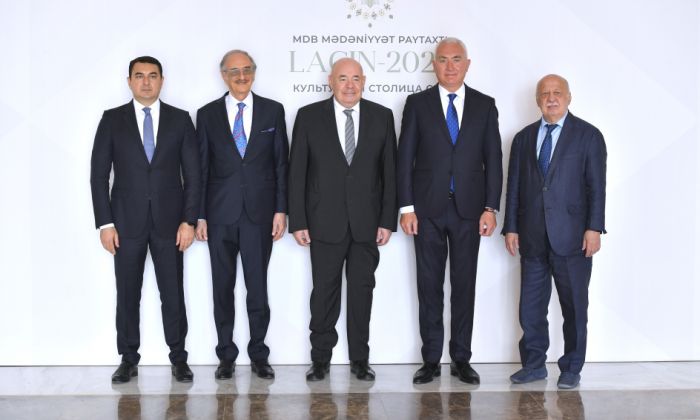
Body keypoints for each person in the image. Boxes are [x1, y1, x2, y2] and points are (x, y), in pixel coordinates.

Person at [397, 37, 503, 385]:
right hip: (426, 210)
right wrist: (407, 207)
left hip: (469, 210)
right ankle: (430, 360)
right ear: (434, 65)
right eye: (443, 59)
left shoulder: (485, 105)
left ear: (467, 64)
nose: (450, 66)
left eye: (457, 59)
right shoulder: (417, 104)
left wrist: (490, 207)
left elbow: (494, 159)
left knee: (464, 285)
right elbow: (404, 158)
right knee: (428, 286)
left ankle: (460, 358)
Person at [90, 56, 200, 383]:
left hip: (171, 224)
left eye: (153, 76)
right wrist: (105, 224)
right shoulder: (112, 120)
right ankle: (128, 359)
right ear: (129, 81)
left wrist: (189, 220)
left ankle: (178, 358)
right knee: (127, 293)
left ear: (162, 80)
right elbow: (98, 176)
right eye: (139, 76)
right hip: (125, 224)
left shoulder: (180, 120)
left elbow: (193, 176)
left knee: (173, 293)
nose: (146, 82)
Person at [288, 57, 397, 382]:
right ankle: (320, 359)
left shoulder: (382, 117)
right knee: (324, 293)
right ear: (331, 82)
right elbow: (297, 173)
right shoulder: (309, 116)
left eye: (355, 79)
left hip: (367, 224)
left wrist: (387, 220)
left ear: (364, 82)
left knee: (362, 293)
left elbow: (389, 174)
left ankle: (360, 360)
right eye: (343, 79)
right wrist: (298, 221)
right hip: (323, 222)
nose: (349, 85)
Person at [503, 74, 606, 389]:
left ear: (569, 97)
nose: (551, 98)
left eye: (557, 92)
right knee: (530, 308)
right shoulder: (523, 138)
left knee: (574, 307)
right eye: (544, 93)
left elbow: (596, 187)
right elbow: (514, 187)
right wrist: (511, 227)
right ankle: (534, 365)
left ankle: (572, 368)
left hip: (573, 238)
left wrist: (594, 228)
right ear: (537, 100)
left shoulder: (588, 136)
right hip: (532, 236)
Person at [195, 50, 289, 380]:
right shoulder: (206, 115)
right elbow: (200, 169)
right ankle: (226, 355)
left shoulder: (273, 111)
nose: (241, 76)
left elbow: (281, 164)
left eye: (247, 69)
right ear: (223, 75)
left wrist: (281, 209)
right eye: (234, 71)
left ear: (254, 72)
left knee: (257, 288)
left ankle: (259, 354)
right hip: (219, 215)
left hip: (259, 215)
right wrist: (200, 216)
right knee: (222, 288)